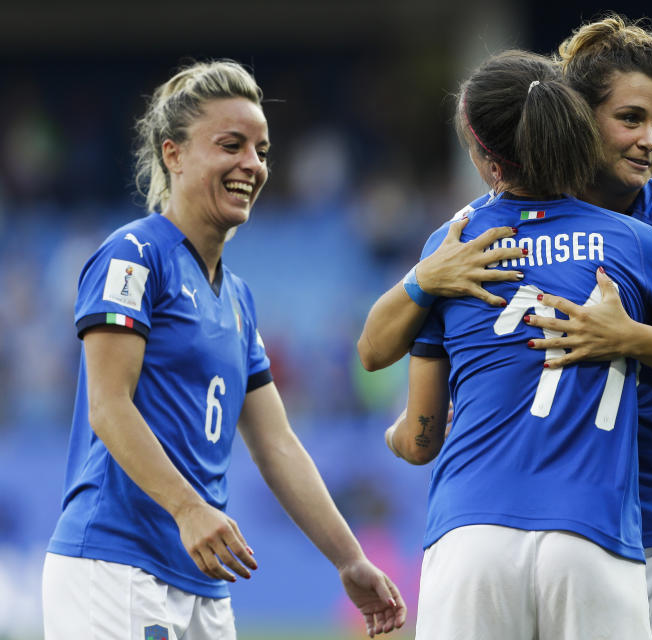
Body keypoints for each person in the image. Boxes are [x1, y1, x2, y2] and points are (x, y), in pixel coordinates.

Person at [358, 14, 652, 640]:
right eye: (630, 118)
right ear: (575, 116)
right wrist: (427, 275)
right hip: (585, 522)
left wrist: (629, 338)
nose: (651, 142)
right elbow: (377, 345)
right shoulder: (476, 231)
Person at [42, 59, 405, 640]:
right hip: (116, 566)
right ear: (174, 154)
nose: (252, 165)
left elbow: (277, 443)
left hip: (204, 578)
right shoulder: (133, 256)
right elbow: (109, 407)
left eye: (261, 149)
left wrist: (348, 558)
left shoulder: (237, 299)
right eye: (231, 145)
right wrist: (188, 509)